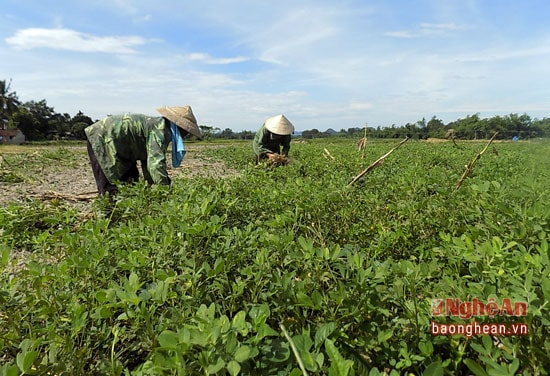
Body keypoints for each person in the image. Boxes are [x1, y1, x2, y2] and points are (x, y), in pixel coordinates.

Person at [85, 105, 201, 196]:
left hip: (122, 148)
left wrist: (152, 184)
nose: (186, 134)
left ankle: (127, 219)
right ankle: (106, 223)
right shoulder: (160, 130)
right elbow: (155, 164)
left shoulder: (161, 127)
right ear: (180, 126)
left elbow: (148, 162)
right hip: (103, 139)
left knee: (131, 183)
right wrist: (165, 190)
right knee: (110, 188)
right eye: (187, 130)